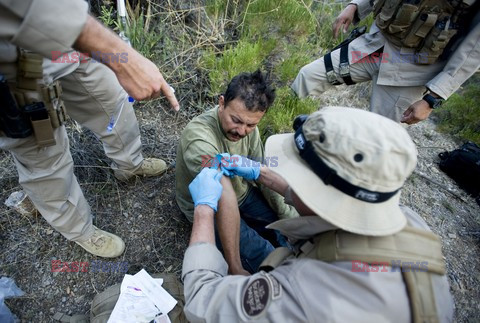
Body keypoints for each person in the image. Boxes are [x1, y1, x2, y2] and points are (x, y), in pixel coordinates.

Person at [182, 107, 453, 322]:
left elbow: (201, 300)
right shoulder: (411, 223)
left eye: (296, 175)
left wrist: (205, 209)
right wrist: (262, 173)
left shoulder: (301, 292)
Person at [0, 0, 179, 258]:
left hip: (64, 35)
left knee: (111, 99)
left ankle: (130, 166)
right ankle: (78, 229)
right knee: (43, 153)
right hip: (11, 57)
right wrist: (117, 53)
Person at [176, 70, 298, 275]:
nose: (242, 131)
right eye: (236, 120)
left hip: (242, 194)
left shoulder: (249, 128)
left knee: (284, 234)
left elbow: (262, 170)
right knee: (265, 256)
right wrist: (234, 266)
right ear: (221, 103)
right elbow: (223, 195)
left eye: (251, 125)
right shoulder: (199, 139)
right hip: (213, 203)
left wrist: (289, 219)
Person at [292, 0, 480, 124]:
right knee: (308, 77)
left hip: (411, 72)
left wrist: (433, 99)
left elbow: (473, 52)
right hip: (371, 48)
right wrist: (355, 6)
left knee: (380, 141)